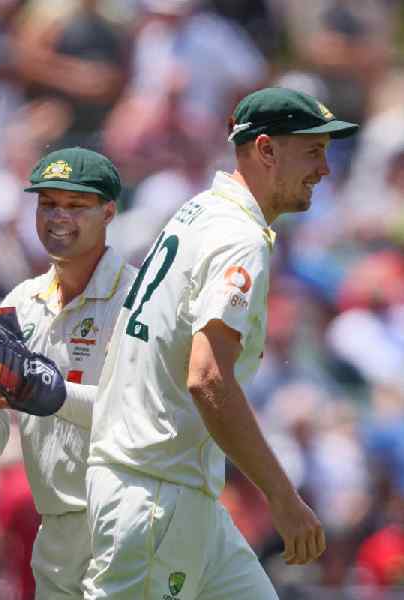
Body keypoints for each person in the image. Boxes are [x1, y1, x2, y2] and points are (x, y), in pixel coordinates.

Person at [85, 87, 358, 599]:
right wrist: (282, 496)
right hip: (156, 493)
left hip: (176, 490)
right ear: (267, 150)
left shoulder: (200, 210)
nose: (324, 169)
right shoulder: (239, 237)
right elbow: (207, 377)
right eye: (313, 151)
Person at [0, 147, 136, 599]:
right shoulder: (21, 300)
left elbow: (139, 414)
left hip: (123, 519)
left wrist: (39, 387)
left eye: (76, 206)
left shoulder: (138, 299)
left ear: (109, 212)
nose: (58, 217)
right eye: (48, 203)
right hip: (52, 527)